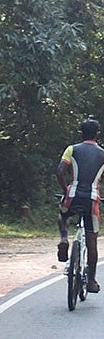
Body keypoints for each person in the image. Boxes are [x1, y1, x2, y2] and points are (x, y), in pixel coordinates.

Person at [56, 118, 104, 293]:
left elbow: (60, 171)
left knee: (62, 214)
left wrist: (66, 190)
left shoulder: (72, 149)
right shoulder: (102, 154)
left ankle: (63, 238)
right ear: (97, 134)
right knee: (92, 241)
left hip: (74, 195)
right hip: (92, 200)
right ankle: (91, 281)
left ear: (81, 134)